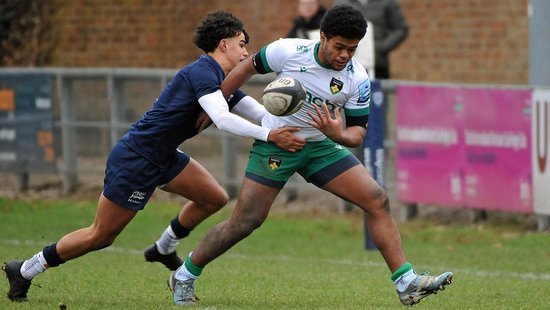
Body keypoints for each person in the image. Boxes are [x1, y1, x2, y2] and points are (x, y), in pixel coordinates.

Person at [3, 10, 306, 302]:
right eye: (242, 45)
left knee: (213, 198)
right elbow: (223, 119)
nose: (245, 53)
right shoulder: (203, 71)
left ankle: (164, 248)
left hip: (164, 156)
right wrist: (269, 136)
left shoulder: (222, 82)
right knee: (101, 235)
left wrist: (290, 124)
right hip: (138, 157)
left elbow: (257, 112)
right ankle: (26, 269)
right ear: (223, 44)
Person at [170, 5, 452, 307]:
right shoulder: (288, 51)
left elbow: (357, 133)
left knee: (376, 198)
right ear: (323, 37)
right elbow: (247, 67)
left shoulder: (357, 77)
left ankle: (406, 282)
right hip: (277, 142)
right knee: (245, 221)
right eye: (340, 47)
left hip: (320, 147)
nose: (345, 55)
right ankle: (185, 274)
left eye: (352, 49)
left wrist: (338, 135)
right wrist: (217, 105)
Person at [333, 0, 408, 79]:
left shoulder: (388, 2)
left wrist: (381, 47)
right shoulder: (341, 2)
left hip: (377, 64)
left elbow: (401, 29)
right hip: (345, 63)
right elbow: (331, 27)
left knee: (376, 90)